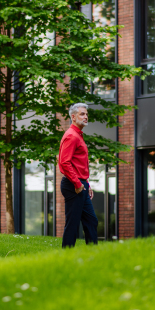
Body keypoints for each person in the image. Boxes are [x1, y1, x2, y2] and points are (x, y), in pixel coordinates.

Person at [59, 103, 98, 248]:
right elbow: (64, 163)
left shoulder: (78, 136)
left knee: (91, 220)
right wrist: (77, 184)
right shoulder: (71, 136)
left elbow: (79, 164)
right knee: (73, 223)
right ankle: (67, 255)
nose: (86, 117)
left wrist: (86, 184)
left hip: (81, 184)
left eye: (87, 114)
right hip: (73, 185)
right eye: (82, 114)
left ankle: (93, 254)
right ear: (73, 117)